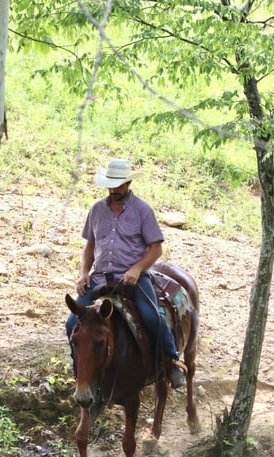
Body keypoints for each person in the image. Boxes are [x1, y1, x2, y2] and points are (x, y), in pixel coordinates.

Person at [65, 158, 187, 389]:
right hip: (100, 276)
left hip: (134, 278)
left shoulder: (142, 210)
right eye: (111, 184)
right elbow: (90, 246)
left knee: (152, 317)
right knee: (72, 322)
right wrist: (83, 273)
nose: (114, 190)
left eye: (119, 185)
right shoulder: (96, 209)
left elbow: (156, 248)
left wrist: (137, 269)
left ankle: (171, 361)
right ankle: (79, 369)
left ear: (129, 182)